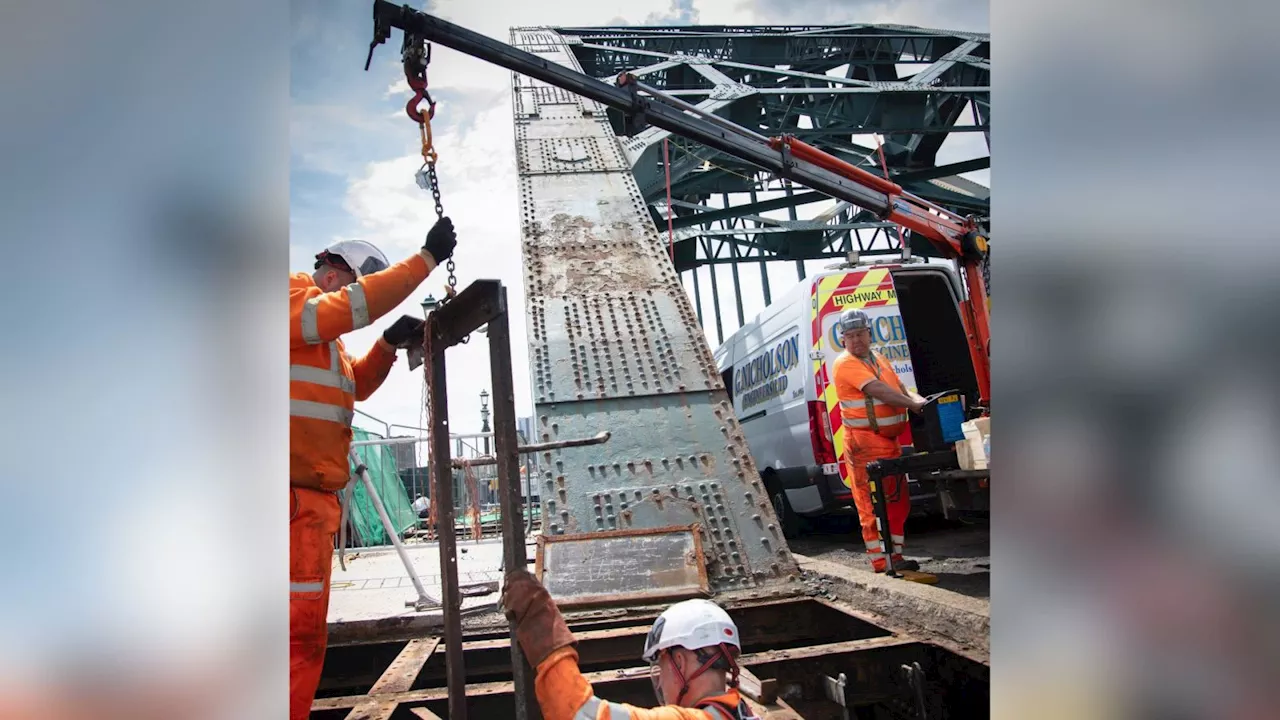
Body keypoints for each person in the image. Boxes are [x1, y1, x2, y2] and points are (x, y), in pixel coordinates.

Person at [289, 217, 457, 720]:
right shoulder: (290, 298)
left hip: (308, 506)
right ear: (337, 273)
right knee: (293, 636)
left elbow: (355, 386)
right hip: (289, 500)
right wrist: (425, 261)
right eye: (358, 287)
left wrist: (385, 345)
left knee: (303, 636)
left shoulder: (324, 344)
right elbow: (353, 307)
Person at [502, 570, 761, 719]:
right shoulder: (742, 712)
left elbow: (579, 713)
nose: (661, 682)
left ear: (679, 661)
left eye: (662, 666)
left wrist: (542, 624)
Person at [831, 309, 932, 577]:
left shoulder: (878, 359)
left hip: (887, 442)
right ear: (843, 339)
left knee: (897, 500)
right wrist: (912, 405)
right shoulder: (845, 363)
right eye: (850, 336)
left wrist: (920, 399)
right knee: (872, 503)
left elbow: (898, 388)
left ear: (869, 334)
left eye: (860, 334)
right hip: (864, 443)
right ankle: (881, 560)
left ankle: (895, 555)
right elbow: (878, 390)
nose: (856, 341)